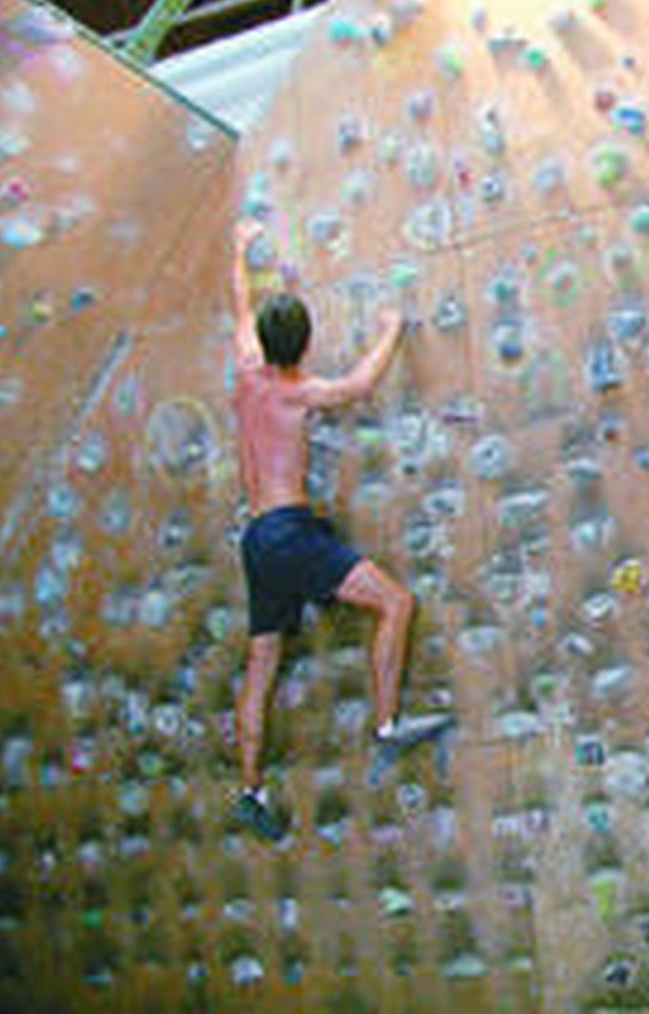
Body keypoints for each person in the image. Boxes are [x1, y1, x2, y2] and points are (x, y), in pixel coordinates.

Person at [228, 219, 451, 841]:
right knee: (396, 602)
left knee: (262, 662)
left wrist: (240, 251)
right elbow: (359, 384)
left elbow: (240, 304)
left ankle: (248, 788)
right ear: (302, 347)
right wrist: (390, 332)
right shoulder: (301, 392)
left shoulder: (248, 370)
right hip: (292, 533)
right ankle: (386, 725)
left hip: (256, 539)